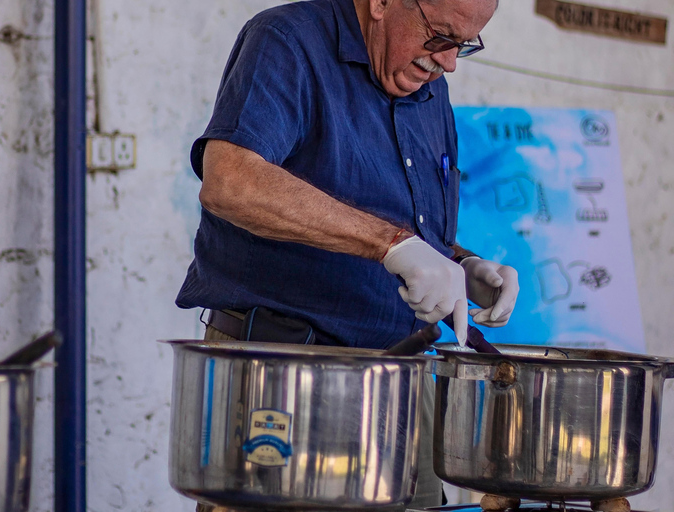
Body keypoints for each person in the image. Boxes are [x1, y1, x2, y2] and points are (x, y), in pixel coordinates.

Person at [177, 0, 519, 509]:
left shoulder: (427, 85)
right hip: (285, 373)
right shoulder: (288, 41)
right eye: (440, 36)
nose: (448, 63)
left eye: (464, 45)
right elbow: (230, 182)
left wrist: (459, 264)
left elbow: (399, 222)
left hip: (399, 378)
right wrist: (391, 245)